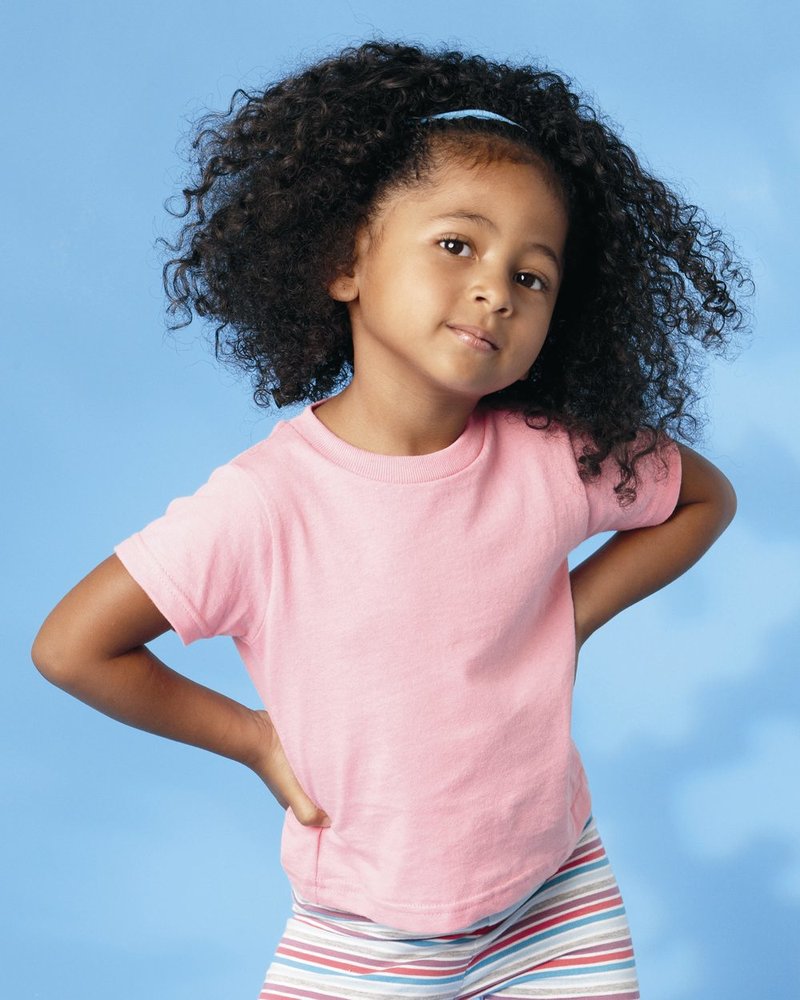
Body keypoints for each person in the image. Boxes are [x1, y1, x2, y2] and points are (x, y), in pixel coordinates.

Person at [32, 39, 749, 1000]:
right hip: (368, 937)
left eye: (532, 276)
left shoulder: (552, 455)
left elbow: (704, 499)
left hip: (558, 901)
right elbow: (71, 647)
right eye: (457, 245)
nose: (496, 288)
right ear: (345, 262)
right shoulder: (265, 506)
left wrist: (569, 614)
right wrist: (253, 739)